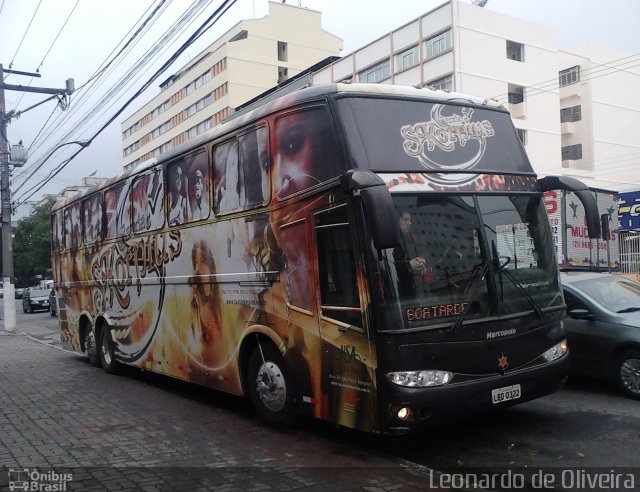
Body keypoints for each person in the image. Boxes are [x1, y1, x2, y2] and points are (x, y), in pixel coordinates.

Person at [393, 211, 429, 297]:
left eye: (410, 220)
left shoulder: (410, 240)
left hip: (415, 287)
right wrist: (408, 265)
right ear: (396, 221)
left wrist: (421, 261)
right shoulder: (388, 240)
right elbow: (386, 266)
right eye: (405, 220)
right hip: (397, 290)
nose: (409, 223)